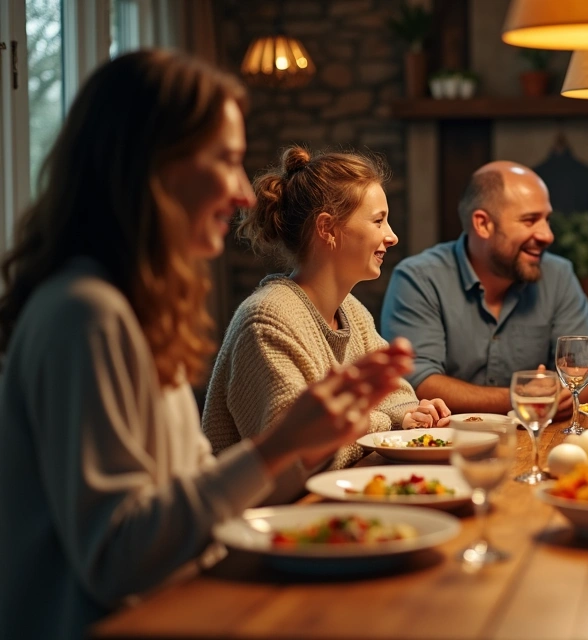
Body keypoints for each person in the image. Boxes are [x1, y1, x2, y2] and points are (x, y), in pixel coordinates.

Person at [0, 50, 412, 639]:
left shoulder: (138, 311)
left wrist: (303, 441)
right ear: (150, 165)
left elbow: (197, 494)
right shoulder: (86, 314)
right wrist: (280, 445)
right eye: (225, 160)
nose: (245, 193)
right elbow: (115, 560)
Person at [203, 146, 449, 502]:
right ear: (327, 229)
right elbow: (295, 463)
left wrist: (414, 413)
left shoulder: (351, 310)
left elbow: (399, 399)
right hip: (269, 523)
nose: (392, 236)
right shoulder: (267, 320)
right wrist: (385, 422)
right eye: (378, 221)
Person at [381, 161, 588, 417]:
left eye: (547, 219)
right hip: (448, 440)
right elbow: (415, 382)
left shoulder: (558, 275)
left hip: (535, 437)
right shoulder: (419, 278)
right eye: (530, 220)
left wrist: (562, 395)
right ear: (483, 224)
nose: (547, 235)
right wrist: (521, 397)